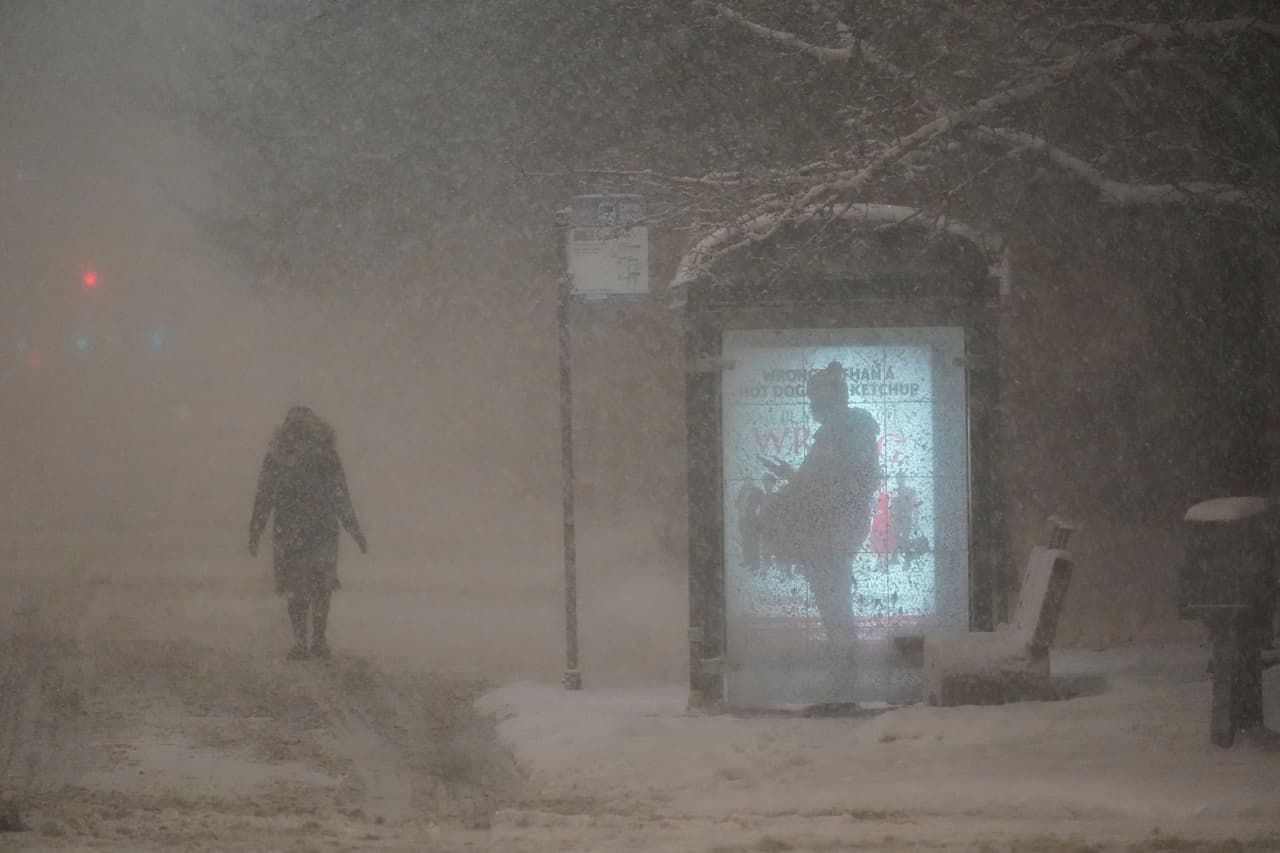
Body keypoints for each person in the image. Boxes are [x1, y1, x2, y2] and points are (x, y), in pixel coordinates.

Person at [739, 361, 880, 689]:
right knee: (833, 596)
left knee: (833, 597)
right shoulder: (845, 431)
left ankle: (843, 667)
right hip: (834, 527)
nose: (812, 406)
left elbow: (834, 485)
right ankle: (842, 662)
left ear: (829, 399)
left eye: (815, 399)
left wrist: (795, 488)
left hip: (832, 529)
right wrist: (794, 479)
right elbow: (827, 481)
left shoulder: (843, 431)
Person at [249, 406, 367, 660]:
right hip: (315, 530)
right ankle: (312, 641)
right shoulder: (320, 455)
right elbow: (340, 496)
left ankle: (308, 642)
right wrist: (354, 529)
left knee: (305, 587)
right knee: (314, 587)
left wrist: (256, 530)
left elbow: (264, 497)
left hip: (299, 531)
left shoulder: (284, 456)